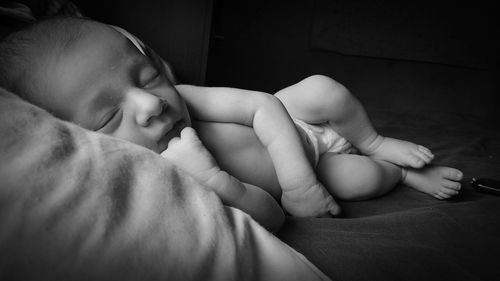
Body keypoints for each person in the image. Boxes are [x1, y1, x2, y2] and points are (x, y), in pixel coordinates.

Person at [0, 17, 463, 230]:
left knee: (323, 89)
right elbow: (273, 217)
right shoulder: (155, 177)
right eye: (108, 115)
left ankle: (376, 139)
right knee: (363, 181)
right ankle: (403, 173)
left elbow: (262, 106)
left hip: (292, 125)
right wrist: (216, 182)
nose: (149, 102)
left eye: (147, 76)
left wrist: (299, 180)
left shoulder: (182, 98)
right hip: (321, 170)